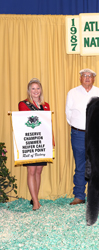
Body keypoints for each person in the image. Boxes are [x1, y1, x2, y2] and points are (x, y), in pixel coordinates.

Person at [66, 68, 99, 205]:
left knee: (96, 165)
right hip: (78, 133)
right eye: (84, 75)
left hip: (96, 135)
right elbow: (68, 115)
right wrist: (78, 126)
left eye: (90, 76)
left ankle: (94, 195)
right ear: (80, 78)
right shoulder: (72, 93)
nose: (87, 78)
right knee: (80, 166)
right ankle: (79, 195)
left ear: (94, 79)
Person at [18, 78, 55, 211]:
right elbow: (26, 121)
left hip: (42, 141)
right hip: (30, 141)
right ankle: (35, 202)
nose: (36, 91)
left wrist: (52, 141)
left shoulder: (46, 105)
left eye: (38, 88)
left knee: (39, 170)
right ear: (29, 91)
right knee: (31, 170)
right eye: (33, 88)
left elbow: (48, 124)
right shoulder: (23, 104)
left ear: (41, 90)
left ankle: (36, 198)